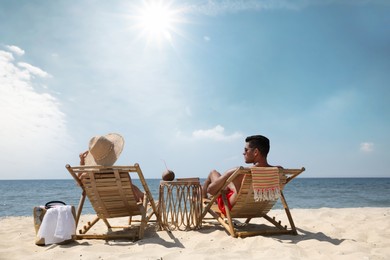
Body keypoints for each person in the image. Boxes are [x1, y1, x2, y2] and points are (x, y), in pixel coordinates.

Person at [202, 135, 277, 214]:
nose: (243, 153)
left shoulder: (239, 171)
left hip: (229, 207)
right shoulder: (278, 171)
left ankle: (203, 197)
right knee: (229, 185)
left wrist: (228, 175)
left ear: (255, 152)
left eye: (246, 150)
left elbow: (211, 190)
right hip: (256, 207)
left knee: (213, 172)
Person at [79, 133, 144, 203]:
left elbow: (79, 182)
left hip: (105, 206)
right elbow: (134, 197)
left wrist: (82, 162)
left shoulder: (87, 176)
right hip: (126, 203)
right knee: (129, 184)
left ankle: (143, 196)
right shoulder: (120, 175)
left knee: (130, 185)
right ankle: (144, 197)